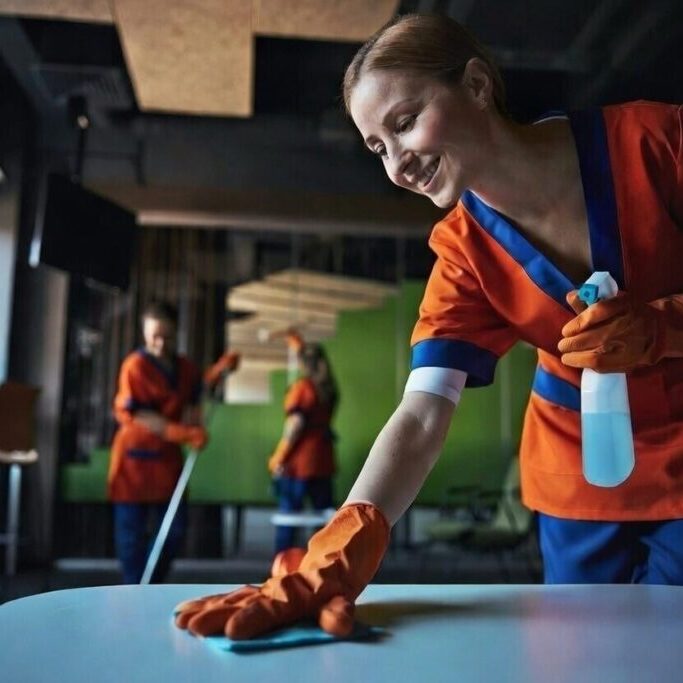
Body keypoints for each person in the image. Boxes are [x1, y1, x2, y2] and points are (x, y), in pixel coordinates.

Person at [174, 13, 683, 638]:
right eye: (378, 147)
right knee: (584, 654)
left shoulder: (658, 141)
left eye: (404, 122)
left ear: (475, 85)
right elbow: (421, 415)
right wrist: (339, 550)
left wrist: (665, 327)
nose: (397, 166)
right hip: (579, 474)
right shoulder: (463, 253)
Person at [108, 301, 239, 583]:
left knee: (175, 530)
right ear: (144, 333)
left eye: (166, 336)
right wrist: (182, 434)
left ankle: (153, 584)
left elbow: (195, 395)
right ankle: (134, 589)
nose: (159, 343)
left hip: (167, 462)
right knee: (132, 536)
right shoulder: (135, 367)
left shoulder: (185, 368)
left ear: (175, 332)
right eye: (154, 335)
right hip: (133, 463)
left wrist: (218, 372)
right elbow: (140, 414)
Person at [268, 330, 338, 553]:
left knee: (290, 517)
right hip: (323, 458)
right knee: (323, 520)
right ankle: (322, 564)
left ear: (302, 363)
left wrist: (279, 457)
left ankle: (281, 567)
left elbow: (295, 426)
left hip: (299, 463)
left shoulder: (302, 389)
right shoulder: (328, 388)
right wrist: (297, 342)